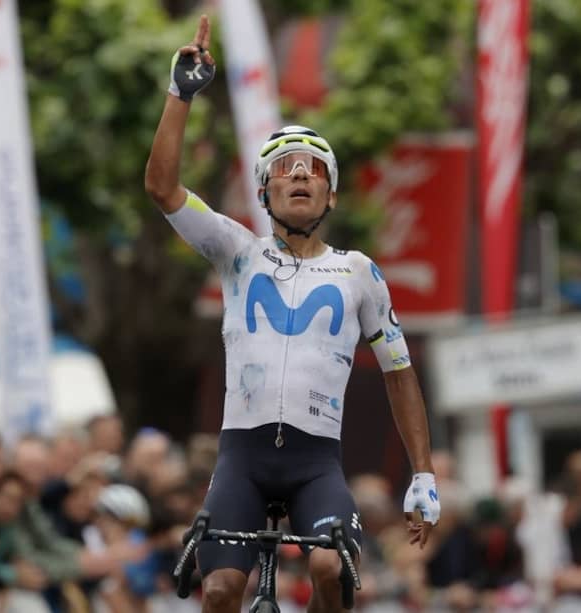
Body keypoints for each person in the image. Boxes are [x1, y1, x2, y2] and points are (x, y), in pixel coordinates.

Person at [144, 14, 441, 613]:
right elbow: (163, 188)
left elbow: (399, 372)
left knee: (331, 570)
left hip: (315, 464)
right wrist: (180, 96)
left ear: (331, 195)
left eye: (314, 168)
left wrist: (424, 474)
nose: (300, 172)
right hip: (242, 459)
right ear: (264, 193)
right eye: (284, 167)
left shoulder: (359, 272)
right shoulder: (236, 253)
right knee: (223, 587)